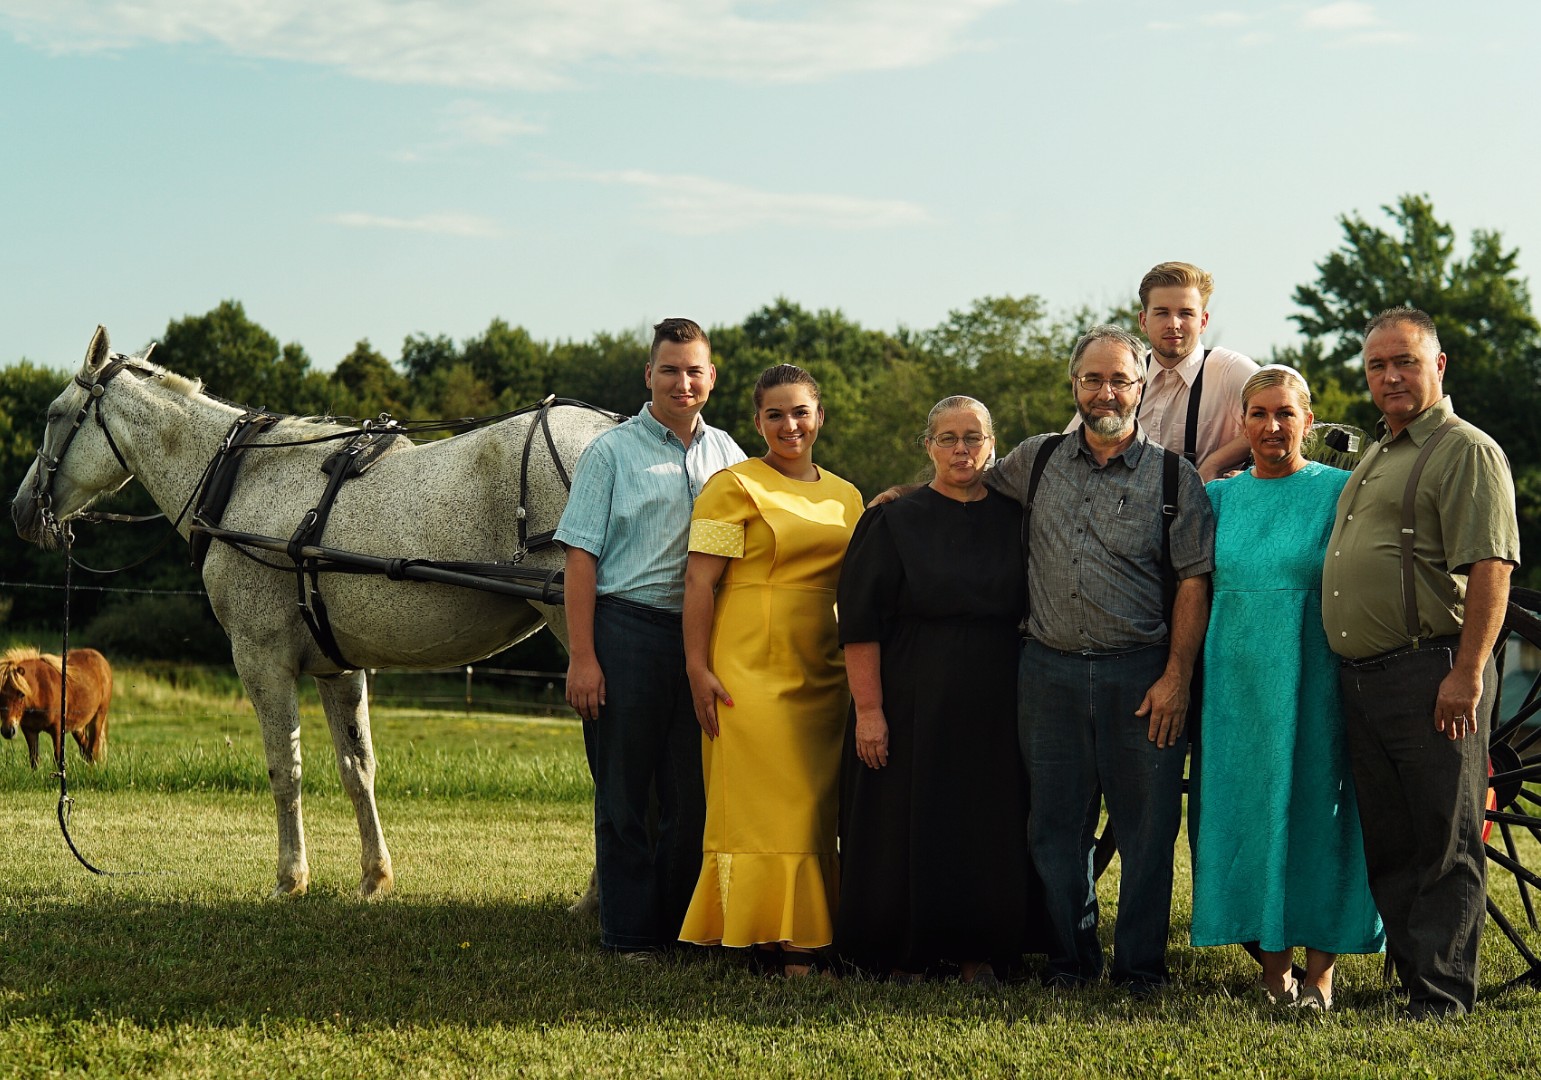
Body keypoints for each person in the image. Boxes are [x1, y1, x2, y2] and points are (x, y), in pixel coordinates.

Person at [994, 325, 1215, 994]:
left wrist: (1176, 677)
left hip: (1140, 675)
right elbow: (961, 485)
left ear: (1140, 386)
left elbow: (1192, 582)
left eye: (1118, 378)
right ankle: (1069, 961)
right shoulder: (1033, 461)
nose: (1104, 391)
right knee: (1054, 828)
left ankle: (1140, 968)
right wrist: (892, 501)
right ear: (1074, 387)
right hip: (1047, 671)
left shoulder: (1176, 477)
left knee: (1147, 833)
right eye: (1091, 379)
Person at [1323, 307, 1519, 1019]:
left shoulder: (1465, 449)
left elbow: (1489, 567)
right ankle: (1412, 981)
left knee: (1443, 838)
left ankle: (1440, 997)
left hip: (1431, 669)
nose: (1389, 376)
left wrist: (1465, 674)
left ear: (1437, 366)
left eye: (1403, 361)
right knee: (1391, 838)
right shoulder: (1380, 450)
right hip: (1365, 676)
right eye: (1376, 365)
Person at [1188, 365, 1384, 1011]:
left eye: (1284, 414)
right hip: (1236, 680)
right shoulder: (1217, 498)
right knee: (1249, 811)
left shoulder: (1339, 491)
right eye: (1258, 415)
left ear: (1307, 420)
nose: (1271, 427)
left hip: (1318, 673)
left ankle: (1321, 973)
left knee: (1320, 816)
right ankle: (1273, 971)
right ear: (1242, 424)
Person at [555, 317, 745, 959]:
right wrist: (583, 657)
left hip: (704, 644)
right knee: (625, 795)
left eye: (694, 370)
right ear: (649, 376)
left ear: (712, 378)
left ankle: (680, 930)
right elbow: (579, 557)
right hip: (627, 630)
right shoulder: (610, 453)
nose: (682, 382)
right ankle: (631, 935)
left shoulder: (730, 455)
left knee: (691, 799)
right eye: (670, 369)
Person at [836, 396, 1040, 984]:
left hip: (996, 698)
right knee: (906, 818)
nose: (960, 450)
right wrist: (869, 711)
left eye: (972, 438)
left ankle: (982, 951)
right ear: (927, 446)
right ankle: (902, 951)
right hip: (908, 694)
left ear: (992, 445)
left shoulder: (1015, 516)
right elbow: (859, 625)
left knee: (986, 823)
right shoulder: (892, 519)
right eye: (947, 438)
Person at [677, 365, 864, 975]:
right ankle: (778, 941)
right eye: (775, 414)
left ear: (820, 418)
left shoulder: (847, 496)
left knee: (813, 805)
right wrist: (697, 668)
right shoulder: (730, 486)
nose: (790, 425)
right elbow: (700, 584)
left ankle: (808, 926)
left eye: (800, 412)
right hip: (747, 667)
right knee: (765, 805)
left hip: (824, 666)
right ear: (757, 422)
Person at [1066, 262, 1259, 481]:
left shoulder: (1228, 371)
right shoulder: (1124, 374)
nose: (1173, 324)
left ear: (1203, 322)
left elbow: (1295, 414)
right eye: (1162, 313)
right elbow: (1069, 445)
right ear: (1143, 321)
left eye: (1186, 313)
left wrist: (1216, 462)